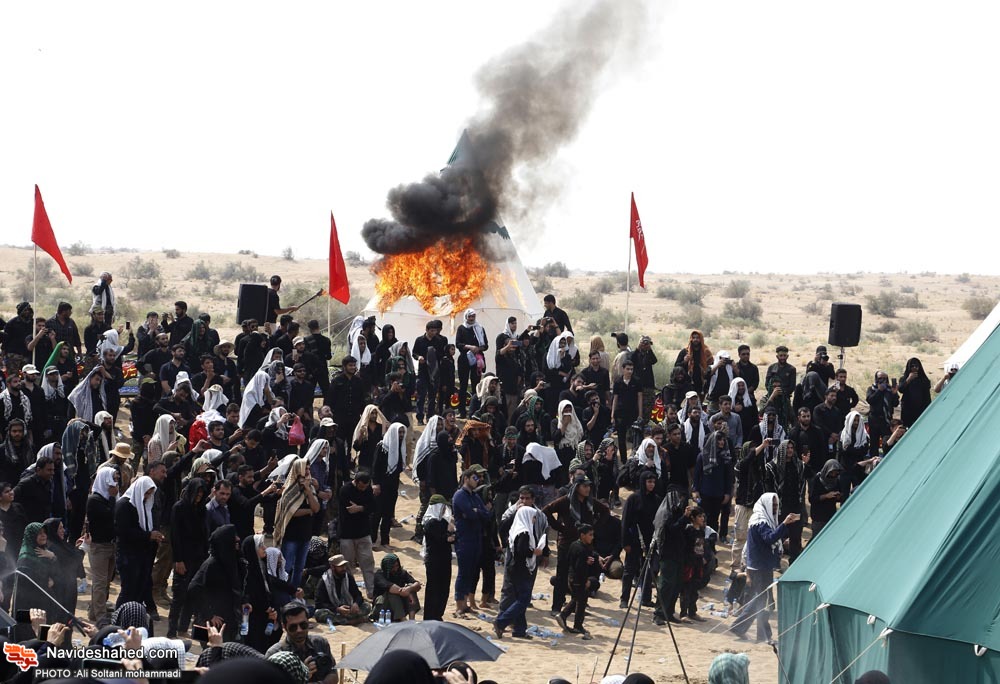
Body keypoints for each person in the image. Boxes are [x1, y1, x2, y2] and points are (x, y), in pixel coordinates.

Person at [729, 492, 797, 643]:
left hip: (760, 565)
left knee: (761, 600)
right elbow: (770, 538)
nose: (775, 508)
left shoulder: (760, 520)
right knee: (760, 601)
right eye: (772, 505)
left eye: (776, 505)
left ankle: (760, 634)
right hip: (760, 567)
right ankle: (742, 628)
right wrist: (784, 524)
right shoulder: (761, 522)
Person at [543, 473, 608, 615]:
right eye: (584, 486)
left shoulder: (590, 502)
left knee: (581, 576)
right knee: (562, 575)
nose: (587, 489)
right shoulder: (565, 501)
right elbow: (546, 511)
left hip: (584, 545)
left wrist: (593, 529)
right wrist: (560, 528)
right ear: (577, 487)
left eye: (589, 486)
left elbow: (605, 511)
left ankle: (577, 607)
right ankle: (556, 607)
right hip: (566, 543)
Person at [492, 505, 544, 639]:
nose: (534, 520)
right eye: (533, 517)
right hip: (520, 569)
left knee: (520, 598)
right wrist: (534, 552)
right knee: (523, 599)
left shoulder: (517, 529)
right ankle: (501, 622)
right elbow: (522, 551)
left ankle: (519, 630)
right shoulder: (524, 532)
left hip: (514, 568)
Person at [166, 477, 209, 638]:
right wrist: (178, 560)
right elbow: (175, 536)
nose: (199, 496)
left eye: (202, 493)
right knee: (179, 596)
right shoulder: (179, 508)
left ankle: (183, 628)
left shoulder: (202, 509)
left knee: (193, 595)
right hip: (183, 558)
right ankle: (171, 630)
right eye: (197, 493)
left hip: (198, 558)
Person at [114, 475, 163, 607]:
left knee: (138, 590)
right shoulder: (124, 505)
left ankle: (133, 616)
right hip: (127, 556)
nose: (147, 497)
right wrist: (148, 535)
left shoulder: (144, 505)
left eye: (150, 494)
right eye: (146, 493)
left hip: (141, 554)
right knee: (128, 590)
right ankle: (119, 617)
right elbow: (124, 532)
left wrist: (153, 536)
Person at [274, 458, 321, 588]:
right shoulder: (289, 489)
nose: (307, 471)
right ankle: (283, 592)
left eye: (308, 469)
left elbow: (316, 508)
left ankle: (294, 591)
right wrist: (308, 511)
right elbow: (291, 511)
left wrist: (308, 490)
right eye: (305, 468)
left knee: (299, 568)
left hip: (305, 535)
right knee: (286, 567)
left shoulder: (310, 488)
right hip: (291, 536)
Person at [452, 468, 491, 617]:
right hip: (464, 539)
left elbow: (487, 515)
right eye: (475, 478)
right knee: (463, 572)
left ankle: (466, 604)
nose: (477, 480)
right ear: (466, 478)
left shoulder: (475, 496)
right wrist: (478, 512)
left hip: (476, 537)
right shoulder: (459, 495)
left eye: (478, 478)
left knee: (471, 572)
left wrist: (477, 511)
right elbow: (469, 514)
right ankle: (459, 605)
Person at [266, 602, 337, 683]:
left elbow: (333, 673)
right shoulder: (274, 654)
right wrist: (302, 675)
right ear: (284, 627)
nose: (299, 630)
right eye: (293, 627)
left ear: (308, 623)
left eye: (303, 625)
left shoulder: (320, 643)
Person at [620, 470, 660, 608]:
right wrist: (625, 542)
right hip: (634, 540)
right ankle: (624, 599)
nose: (652, 484)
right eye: (649, 482)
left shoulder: (656, 499)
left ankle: (645, 599)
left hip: (650, 541)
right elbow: (625, 521)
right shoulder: (634, 499)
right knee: (629, 570)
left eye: (653, 482)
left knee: (648, 570)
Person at [763, 440, 808, 562]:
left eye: (791, 448)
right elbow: (768, 488)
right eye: (787, 448)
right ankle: (775, 562)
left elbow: (806, 479)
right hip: (779, 507)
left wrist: (806, 463)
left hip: (795, 505)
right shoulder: (772, 467)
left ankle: (794, 563)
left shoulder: (799, 465)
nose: (790, 450)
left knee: (796, 536)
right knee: (777, 535)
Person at [86, 467, 119, 621]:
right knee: (99, 583)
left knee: (105, 582)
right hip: (99, 547)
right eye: (113, 479)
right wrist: (112, 498)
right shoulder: (94, 500)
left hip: (111, 545)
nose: (115, 483)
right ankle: (100, 617)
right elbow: (110, 516)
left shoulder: (110, 499)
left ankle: (94, 612)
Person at [338, 471, 376, 597]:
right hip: (347, 533)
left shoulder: (368, 490)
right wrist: (363, 508)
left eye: (365, 486)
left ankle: (371, 592)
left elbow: (372, 507)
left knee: (368, 563)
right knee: (347, 566)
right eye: (361, 486)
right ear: (356, 482)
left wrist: (360, 508)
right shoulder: (345, 490)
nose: (363, 489)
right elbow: (349, 510)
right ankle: (350, 592)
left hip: (363, 532)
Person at [555, 523, 596, 640]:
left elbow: (570, 560)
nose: (592, 537)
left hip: (572, 577)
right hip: (578, 579)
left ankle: (564, 617)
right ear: (583, 535)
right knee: (581, 602)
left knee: (577, 599)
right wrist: (585, 580)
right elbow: (579, 567)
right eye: (590, 535)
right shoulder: (581, 549)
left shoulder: (574, 545)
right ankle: (574, 623)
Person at [371, 423, 406, 549]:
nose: (401, 435)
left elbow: (399, 467)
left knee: (388, 514)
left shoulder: (400, 447)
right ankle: (372, 540)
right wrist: (376, 484)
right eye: (399, 432)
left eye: (403, 432)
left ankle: (385, 541)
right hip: (381, 485)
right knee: (376, 514)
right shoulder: (382, 446)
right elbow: (375, 467)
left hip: (392, 485)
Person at [693, 429, 734, 538]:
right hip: (704, 492)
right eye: (719, 440)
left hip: (719, 494)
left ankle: (711, 542)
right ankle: (702, 541)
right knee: (702, 518)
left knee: (714, 519)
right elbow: (697, 475)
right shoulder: (703, 456)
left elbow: (728, 477)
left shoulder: (726, 458)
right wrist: (695, 490)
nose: (721, 442)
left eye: (723, 440)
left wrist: (727, 493)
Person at [12, 522, 59, 617]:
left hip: (43, 601)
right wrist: (46, 581)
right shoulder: (25, 557)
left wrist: (52, 557)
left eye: (44, 532)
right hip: (29, 606)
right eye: (39, 533)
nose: (43, 535)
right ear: (32, 536)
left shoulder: (44, 552)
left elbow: (58, 572)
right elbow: (29, 583)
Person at [421, 494, 454, 621]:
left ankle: (438, 614)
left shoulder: (443, 522)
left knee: (444, 588)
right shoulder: (430, 522)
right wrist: (449, 533)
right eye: (442, 507)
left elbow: (451, 538)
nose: (444, 509)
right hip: (434, 560)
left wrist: (451, 534)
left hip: (445, 559)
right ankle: (430, 616)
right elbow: (441, 539)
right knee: (434, 589)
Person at [315, 554, 369, 626]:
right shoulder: (324, 581)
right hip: (333, 610)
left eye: (344, 566)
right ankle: (348, 621)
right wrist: (337, 609)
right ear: (333, 567)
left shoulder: (348, 577)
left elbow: (358, 595)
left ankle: (348, 619)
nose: (344, 568)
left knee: (367, 606)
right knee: (319, 613)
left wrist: (356, 603)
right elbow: (319, 603)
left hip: (348, 608)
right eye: (340, 566)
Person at [371, 552, 422, 622]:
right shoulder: (379, 575)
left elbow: (417, 584)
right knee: (392, 593)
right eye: (393, 567)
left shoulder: (402, 573)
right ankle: (403, 620)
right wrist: (404, 591)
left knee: (411, 588)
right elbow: (392, 588)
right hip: (382, 609)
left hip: (397, 607)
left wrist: (409, 589)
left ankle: (412, 620)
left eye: (397, 566)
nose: (395, 569)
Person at [456, 309, 488, 418]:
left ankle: (474, 411)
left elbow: (486, 345)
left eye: (473, 316)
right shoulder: (461, 328)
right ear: (466, 317)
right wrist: (469, 347)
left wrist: (478, 348)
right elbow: (458, 344)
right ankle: (462, 411)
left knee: (476, 386)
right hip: (464, 359)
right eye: (469, 316)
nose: (471, 319)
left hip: (477, 359)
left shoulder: (479, 328)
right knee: (463, 385)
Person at [611, 361, 641, 461]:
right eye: (628, 369)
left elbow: (640, 397)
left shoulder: (636, 381)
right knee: (621, 438)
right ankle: (623, 460)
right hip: (620, 413)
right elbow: (615, 398)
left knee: (635, 437)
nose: (630, 371)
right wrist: (612, 414)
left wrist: (640, 414)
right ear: (623, 369)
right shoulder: (618, 382)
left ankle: (635, 459)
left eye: (631, 369)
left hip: (633, 413)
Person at [810, 460, 848, 538]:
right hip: (818, 517)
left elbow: (840, 495)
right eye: (831, 472)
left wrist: (838, 496)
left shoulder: (836, 480)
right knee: (817, 539)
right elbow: (812, 499)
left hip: (830, 515)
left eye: (836, 473)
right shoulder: (816, 480)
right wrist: (826, 496)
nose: (833, 475)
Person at [865, 371, 899, 458]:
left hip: (886, 420)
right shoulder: (872, 389)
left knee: (886, 441)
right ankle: (873, 460)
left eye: (884, 378)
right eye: (880, 378)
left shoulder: (890, 390)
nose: (882, 380)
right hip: (874, 419)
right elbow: (870, 400)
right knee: (874, 443)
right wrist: (879, 391)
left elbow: (895, 403)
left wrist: (894, 393)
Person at [764, 345, 797, 430]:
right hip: (772, 398)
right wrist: (773, 393)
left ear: (787, 356)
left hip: (785, 399)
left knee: (786, 420)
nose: (782, 358)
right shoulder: (772, 368)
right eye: (781, 355)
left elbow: (792, 386)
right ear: (777, 356)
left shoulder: (791, 369)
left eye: (784, 355)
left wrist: (781, 393)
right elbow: (767, 384)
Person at [675, 330, 713, 398]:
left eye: (697, 338)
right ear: (691, 339)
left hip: (702, 383)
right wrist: (684, 361)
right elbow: (676, 367)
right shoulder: (685, 351)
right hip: (687, 382)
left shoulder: (706, 352)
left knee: (699, 403)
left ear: (701, 339)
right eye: (693, 338)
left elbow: (711, 367)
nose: (695, 340)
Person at [897, 357, 931, 427]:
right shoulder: (904, 378)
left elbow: (927, 396)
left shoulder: (924, 379)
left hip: (921, 409)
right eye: (912, 366)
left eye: (916, 366)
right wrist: (908, 379)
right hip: (907, 409)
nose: (914, 368)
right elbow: (901, 389)